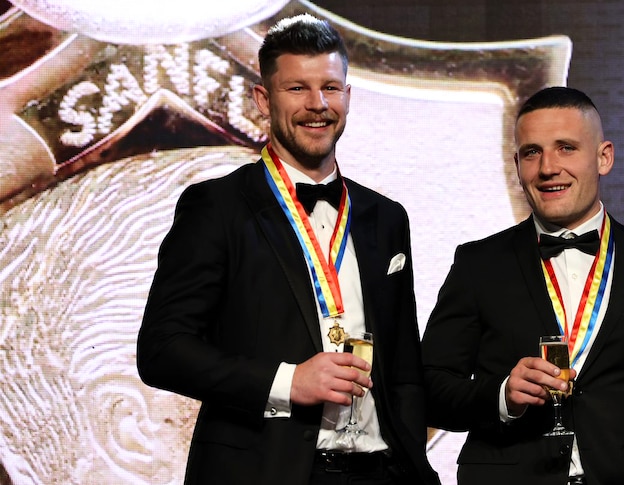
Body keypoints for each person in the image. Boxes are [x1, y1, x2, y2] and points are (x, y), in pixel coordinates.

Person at [137, 14, 439, 485]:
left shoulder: (387, 217)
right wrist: (287, 382)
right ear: (263, 99)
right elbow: (161, 350)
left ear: (348, 97)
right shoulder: (216, 207)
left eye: (331, 88)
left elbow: (402, 368)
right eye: (297, 88)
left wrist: (414, 467)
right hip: (264, 472)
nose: (317, 105)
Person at [421, 86, 624, 485]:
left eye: (566, 148)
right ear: (517, 164)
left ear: (603, 157)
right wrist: (502, 395)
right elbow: (429, 389)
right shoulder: (478, 264)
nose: (547, 167)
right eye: (532, 152)